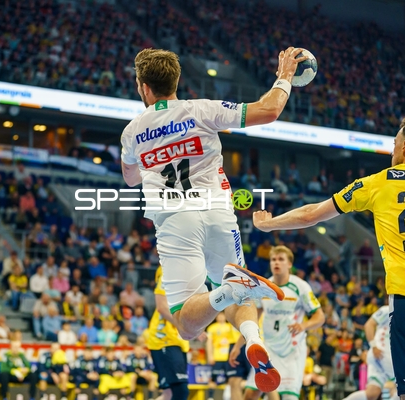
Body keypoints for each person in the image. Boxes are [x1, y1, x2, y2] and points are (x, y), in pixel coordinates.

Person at [120, 47, 306, 393]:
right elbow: (269, 110)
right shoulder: (202, 109)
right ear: (176, 81)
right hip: (219, 213)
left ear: (143, 87)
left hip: (175, 221)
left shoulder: (132, 132)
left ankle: (227, 291)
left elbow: (130, 178)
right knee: (241, 295)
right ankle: (252, 337)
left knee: (186, 325)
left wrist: (151, 155)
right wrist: (284, 75)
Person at [252, 115, 405, 399]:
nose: (392, 150)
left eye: (394, 144)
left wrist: (269, 224)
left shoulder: (378, 182)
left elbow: (311, 214)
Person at [232, 246, 325, 400]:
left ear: (289, 264)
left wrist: (303, 326)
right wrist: (237, 346)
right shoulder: (264, 287)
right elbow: (252, 319)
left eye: (281, 259)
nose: (276, 262)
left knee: (288, 397)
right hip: (269, 349)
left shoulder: (301, 287)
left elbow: (320, 317)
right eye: (273, 259)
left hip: (292, 351)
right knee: (250, 394)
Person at [147, 266, 190, 400]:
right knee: (180, 391)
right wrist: (187, 327)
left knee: (169, 394)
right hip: (164, 338)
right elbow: (161, 307)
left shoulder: (189, 274)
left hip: (178, 339)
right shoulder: (168, 271)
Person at [344, 304, 397, 400]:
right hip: (383, 354)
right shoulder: (387, 310)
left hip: (380, 356)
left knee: (372, 394)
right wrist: (373, 346)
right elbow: (369, 324)